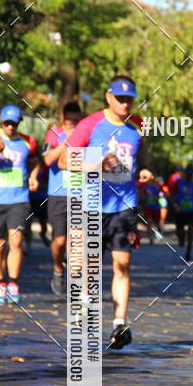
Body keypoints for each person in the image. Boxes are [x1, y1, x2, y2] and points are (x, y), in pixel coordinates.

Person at [59, 75, 154, 348]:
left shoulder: (137, 127)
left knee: (122, 264)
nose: (125, 104)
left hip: (124, 207)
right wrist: (97, 163)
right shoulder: (90, 124)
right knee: (86, 266)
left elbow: (141, 162)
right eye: (120, 98)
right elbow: (65, 160)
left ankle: (119, 325)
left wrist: (146, 172)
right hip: (90, 204)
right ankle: (85, 304)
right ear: (108, 97)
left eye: (130, 99)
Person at [0, 105, 40, 304]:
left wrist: (33, 176)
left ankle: (13, 282)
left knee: (16, 241)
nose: (11, 127)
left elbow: (35, 161)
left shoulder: (27, 142)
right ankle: (0, 282)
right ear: (1, 122)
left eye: (14, 123)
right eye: (7, 123)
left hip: (18, 200)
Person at [42, 100, 83, 296]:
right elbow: (47, 159)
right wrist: (68, 140)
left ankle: (75, 282)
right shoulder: (54, 133)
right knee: (60, 240)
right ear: (63, 118)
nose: (73, 124)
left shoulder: (85, 135)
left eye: (77, 120)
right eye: (69, 120)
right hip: (57, 194)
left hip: (79, 193)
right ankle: (58, 269)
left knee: (77, 239)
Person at [173, 165, 193, 261]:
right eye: (188, 174)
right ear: (185, 174)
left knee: (191, 231)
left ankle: (188, 252)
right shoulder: (178, 183)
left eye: (191, 174)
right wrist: (175, 204)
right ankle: (181, 238)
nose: (189, 176)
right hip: (180, 211)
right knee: (179, 231)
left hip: (192, 211)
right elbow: (172, 194)